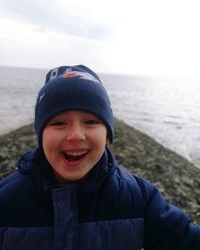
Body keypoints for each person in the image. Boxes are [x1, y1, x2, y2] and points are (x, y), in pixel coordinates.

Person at [0, 65, 199, 250]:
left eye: (90, 121)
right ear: (40, 134)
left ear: (108, 137)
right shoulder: (7, 200)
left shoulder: (139, 199)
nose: (76, 135)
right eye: (59, 123)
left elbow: (184, 239)